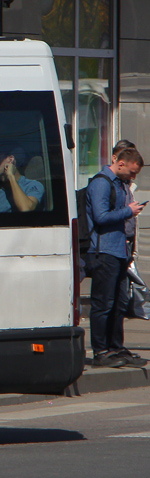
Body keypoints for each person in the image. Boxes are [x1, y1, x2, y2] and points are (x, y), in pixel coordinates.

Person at [86, 146, 148, 368]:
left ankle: (115, 347)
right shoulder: (101, 183)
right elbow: (100, 216)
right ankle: (100, 350)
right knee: (103, 303)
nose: (133, 177)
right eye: (131, 172)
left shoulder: (120, 185)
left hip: (120, 251)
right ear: (120, 163)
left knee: (120, 303)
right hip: (104, 252)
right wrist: (127, 211)